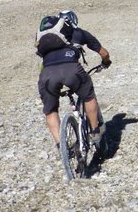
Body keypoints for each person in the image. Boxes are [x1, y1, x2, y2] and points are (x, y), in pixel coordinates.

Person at [35, 10, 111, 149]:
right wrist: (106, 62)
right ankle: (94, 131)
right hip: (72, 70)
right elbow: (104, 53)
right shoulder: (79, 33)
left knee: (50, 110)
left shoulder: (48, 38)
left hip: (47, 74)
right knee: (88, 96)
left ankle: (62, 147)